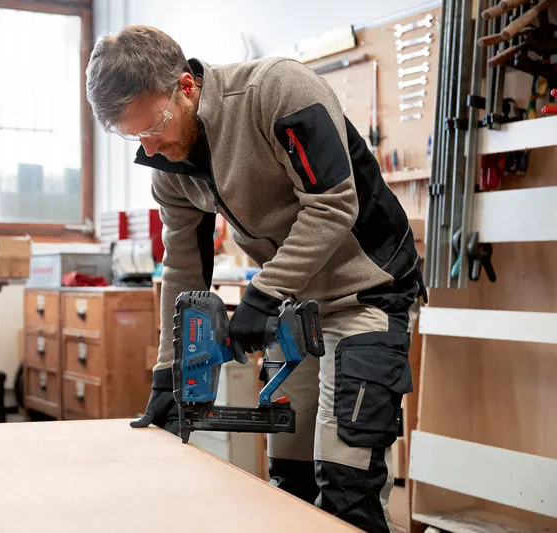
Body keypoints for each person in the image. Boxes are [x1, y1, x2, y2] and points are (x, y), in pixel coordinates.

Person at [85, 25, 427, 533]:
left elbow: (333, 205)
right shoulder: (168, 166)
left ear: (186, 87)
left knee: (345, 483)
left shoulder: (277, 91)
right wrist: (168, 372)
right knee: (290, 482)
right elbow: (182, 267)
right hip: (299, 310)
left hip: (367, 292)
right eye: (134, 135)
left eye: (154, 124)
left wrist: (263, 294)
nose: (151, 145)